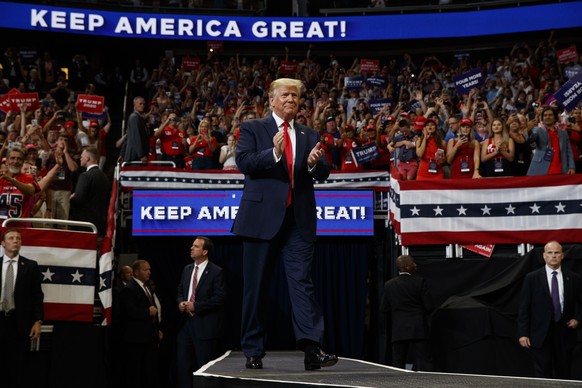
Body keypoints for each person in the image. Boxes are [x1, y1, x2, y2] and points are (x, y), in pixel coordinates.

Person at [231, 78, 336, 371]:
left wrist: (316, 162)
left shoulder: (308, 133)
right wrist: (275, 153)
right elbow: (244, 162)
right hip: (261, 221)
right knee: (256, 288)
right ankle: (253, 350)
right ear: (272, 100)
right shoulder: (254, 128)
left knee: (303, 285)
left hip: (298, 222)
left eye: (295, 95)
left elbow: (323, 173)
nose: (291, 99)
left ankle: (312, 349)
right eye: (286, 94)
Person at [517, 241, 582, 379]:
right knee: (542, 373)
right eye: (550, 253)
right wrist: (523, 333)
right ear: (544, 256)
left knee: (563, 372)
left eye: (557, 252)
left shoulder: (574, 278)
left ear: (562, 255)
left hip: (564, 332)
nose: (553, 256)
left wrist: (578, 319)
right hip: (540, 334)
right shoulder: (532, 278)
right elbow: (524, 308)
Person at [176, 236, 226, 388]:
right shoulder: (187, 269)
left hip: (205, 328)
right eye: (192, 245)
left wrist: (196, 306)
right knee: (183, 367)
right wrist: (180, 303)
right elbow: (180, 291)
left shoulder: (216, 272)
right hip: (186, 327)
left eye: (196, 246)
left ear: (205, 251)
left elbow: (220, 298)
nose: (192, 248)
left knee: (204, 369)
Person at [0, 229, 44, 388]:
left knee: (17, 365)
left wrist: (38, 321)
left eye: (18, 238)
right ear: (3, 243)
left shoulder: (30, 266)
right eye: (11, 238)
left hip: (20, 323)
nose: (15, 240)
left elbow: (37, 295)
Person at [381, 255, 433, 371]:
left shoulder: (389, 285)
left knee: (398, 365)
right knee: (423, 362)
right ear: (407, 267)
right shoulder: (419, 282)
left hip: (399, 330)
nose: (415, 265)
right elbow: (429, 306)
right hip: (418, 329)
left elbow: (384, 308)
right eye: (413, 263)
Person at [119, 260, 161, 388]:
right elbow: (128, 311)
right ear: (136, 272)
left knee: (147, 371)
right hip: (136, 339)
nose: (149, 272)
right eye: (145, 270)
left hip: (147, 337)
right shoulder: (129, 288)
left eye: (149, 269)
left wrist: (156, 329)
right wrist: (147, 312)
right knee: (136, 373)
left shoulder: (145, 286)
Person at [69, 145, 111, 236]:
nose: (80, 159)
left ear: (87, 158)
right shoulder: (105, 177)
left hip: (85, 225)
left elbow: (78, 200)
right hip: (100, 224)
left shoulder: (85, 176)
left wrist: (72, 198)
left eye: (81, 157)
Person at [527, 107, 575, 175]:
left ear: (555, 118)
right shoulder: (537, 130)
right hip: (541, 169)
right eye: (545, 115)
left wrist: (571, 166)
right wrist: (528, 131)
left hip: (560, 169)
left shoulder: (563, 133)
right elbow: (530, 140)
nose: (547, 117)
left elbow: (569, 151)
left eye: (550, 115)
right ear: (542, 119)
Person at [0, 145, 42, 219]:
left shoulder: (28, 177)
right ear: (6, 161)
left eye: (19, 159)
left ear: (23, 162)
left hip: (21, 227)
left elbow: (30, 191)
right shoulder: (1, 178)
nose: (15, 161)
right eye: (12, 158)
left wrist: (12, 180)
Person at [122, 96, 149, 163]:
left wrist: (122, 153)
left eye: (143, 104)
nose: (142, 106)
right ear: (135, 105)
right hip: (135, 156)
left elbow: (129, 136)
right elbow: (135, 136)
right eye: (140, 104)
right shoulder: (134, 117)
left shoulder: (139, 118)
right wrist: (141, 155)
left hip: (136, 155)